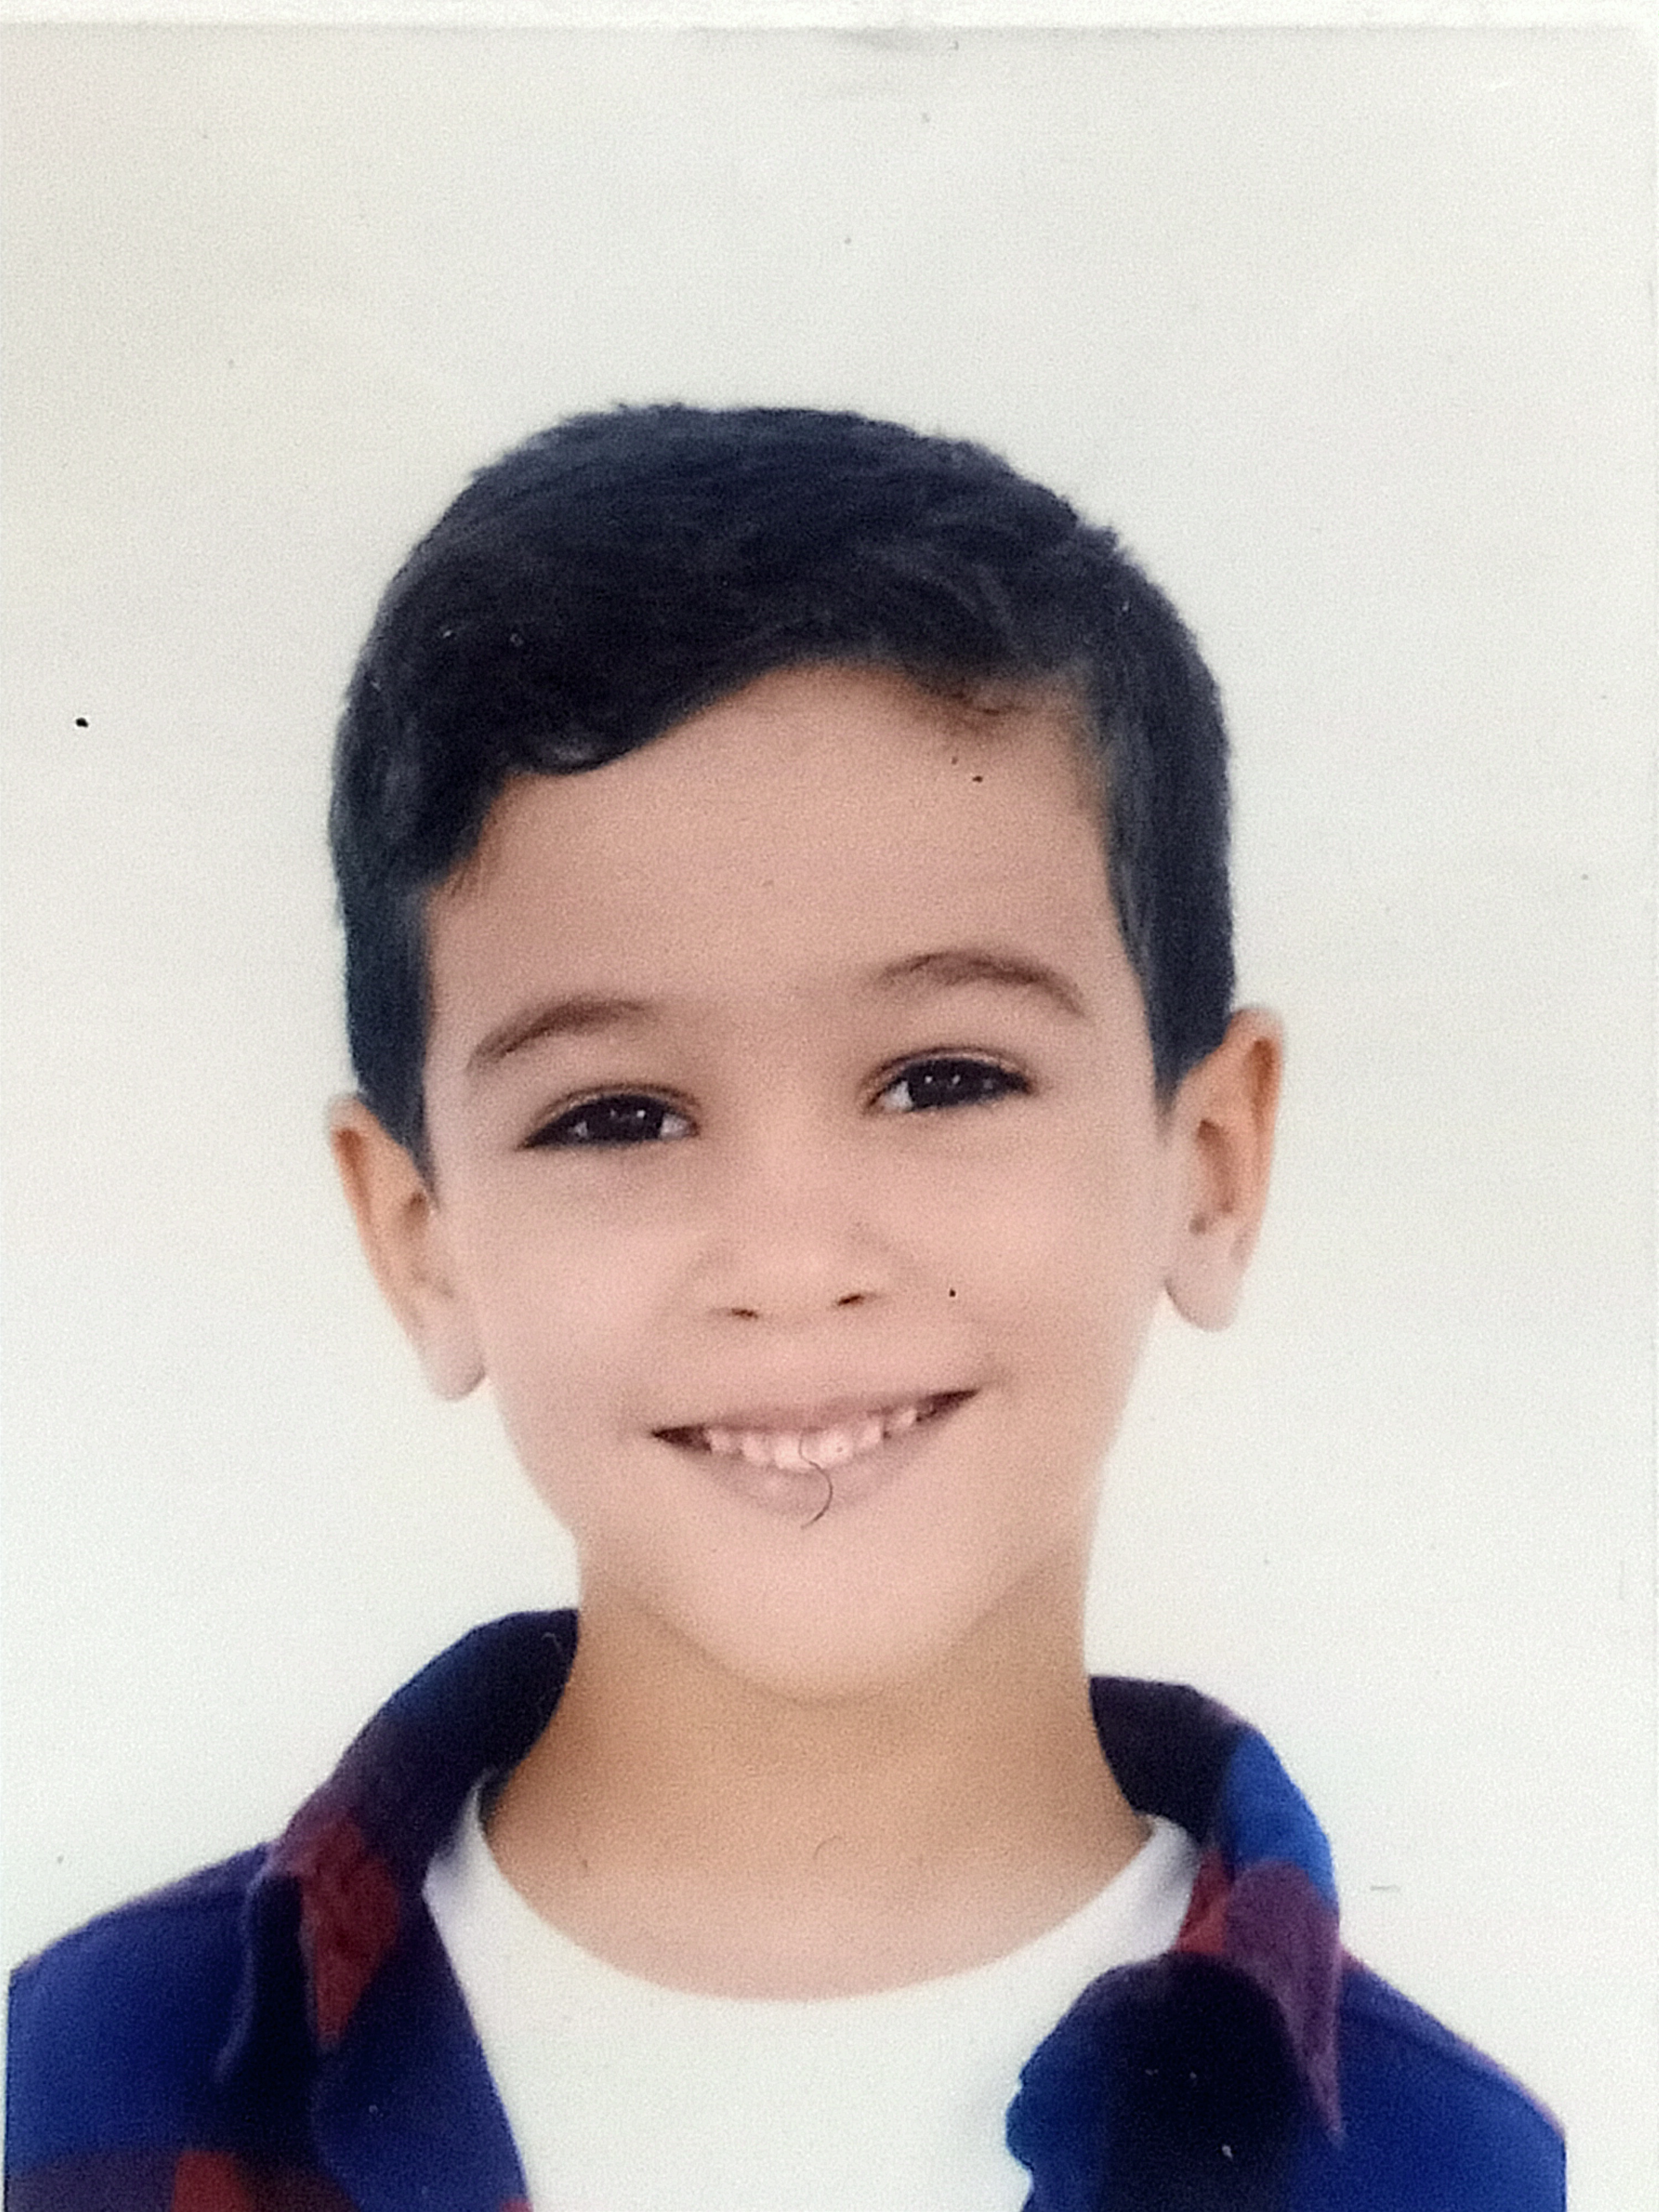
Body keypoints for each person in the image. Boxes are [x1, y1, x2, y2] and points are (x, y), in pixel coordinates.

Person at [5, 405, 1563, 2211]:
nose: (790, 1260)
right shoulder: (65, 2085)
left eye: (946, 1078)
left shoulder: (1464, 2169)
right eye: (617, 1116)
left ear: (1208, 1163)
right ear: (421, 1241)